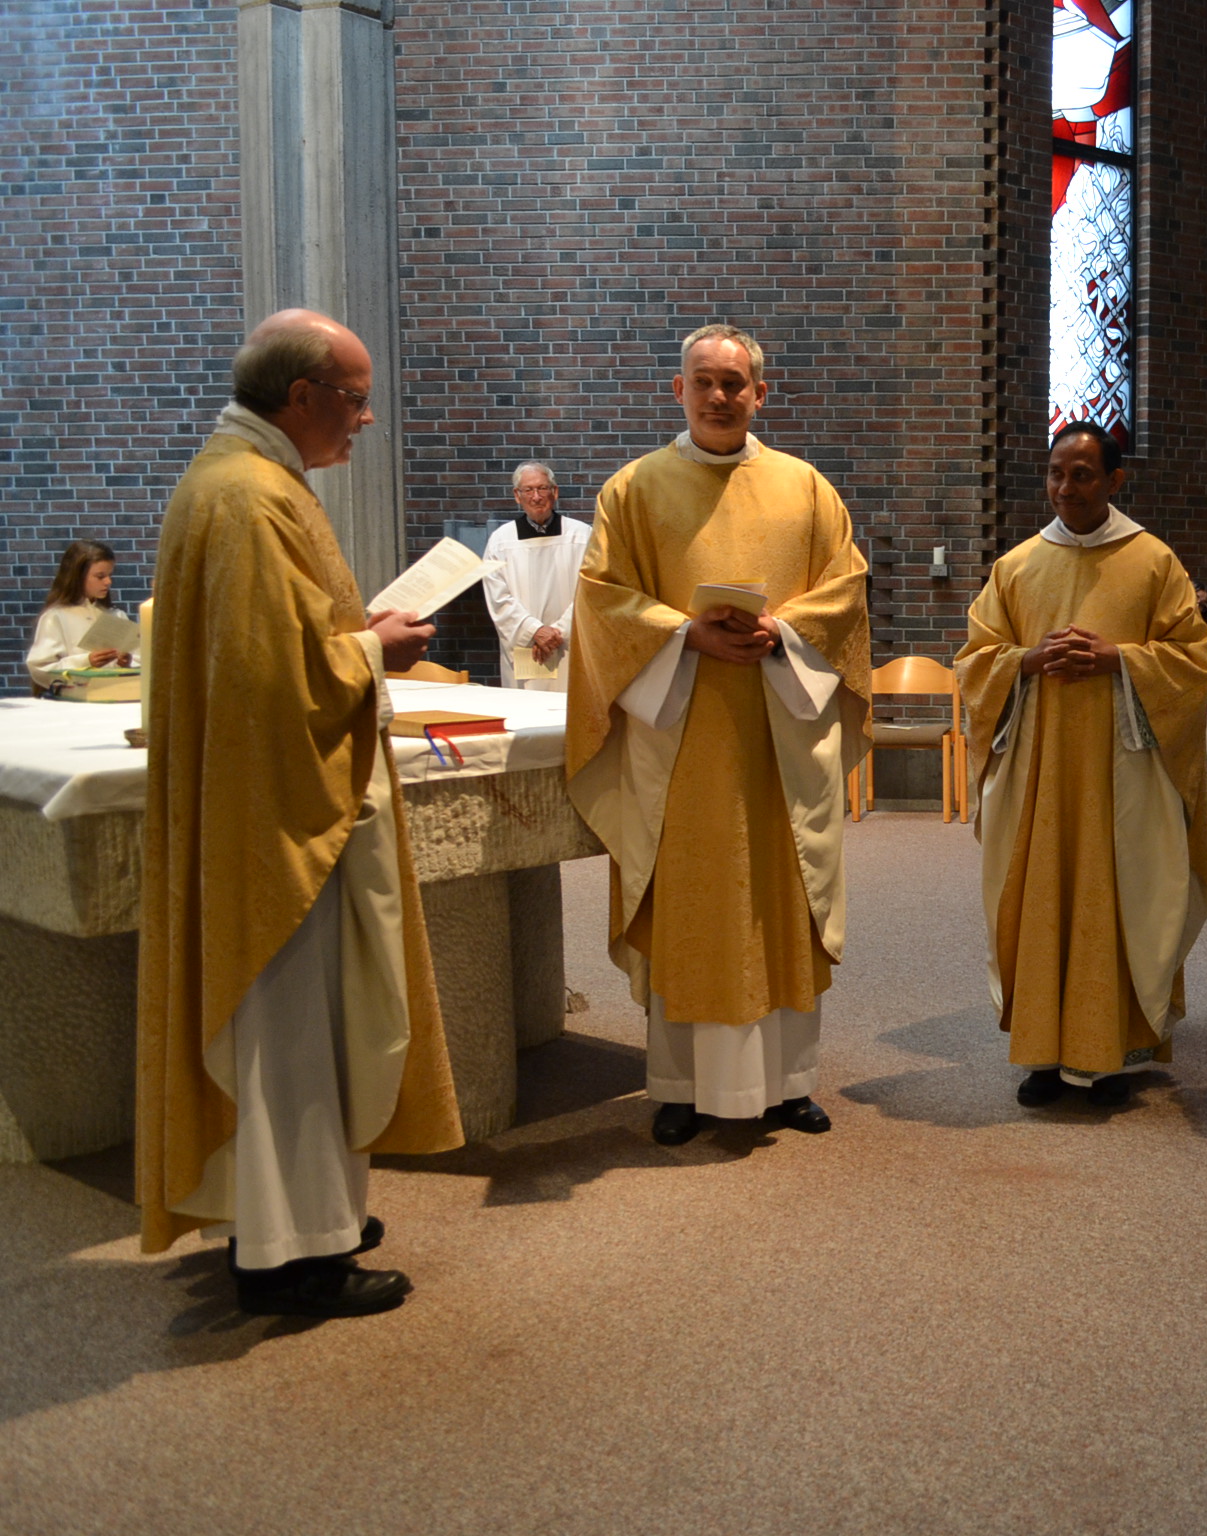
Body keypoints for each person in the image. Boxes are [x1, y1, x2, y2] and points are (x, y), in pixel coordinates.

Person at [138, 308, 460, 1318]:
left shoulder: (248, 480)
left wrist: (352, 631)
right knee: (295, 1032)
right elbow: (271, 678)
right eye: (355, 399)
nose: (364, 419)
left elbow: (274, 638)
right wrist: (373, 650)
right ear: (302, 394)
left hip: (273, 802)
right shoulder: (248, 497)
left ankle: (304, 1218)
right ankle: (291, 1258)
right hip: (281, 826)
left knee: (306, 1031)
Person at [565, 324, 871, 1147]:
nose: (718, 395)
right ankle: (679, 1086)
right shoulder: (633, 491)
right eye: (703, 380)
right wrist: (683, 633)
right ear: (679, 390)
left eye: (734, 383)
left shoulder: (806, 490)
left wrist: (784, 631)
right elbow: (601, 601)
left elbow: (846, 589)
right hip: (681, 739)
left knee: (783, 898)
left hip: (778, 736)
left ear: (759, 394)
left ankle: (789, 1084)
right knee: (689, 905)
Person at [957, 422, 1207, 1108]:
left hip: (1123, 776)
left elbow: (1194, 659)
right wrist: (1028, 660)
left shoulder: (1153, 562)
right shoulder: (1016, 567)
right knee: (1041, 898)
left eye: (1082, 474)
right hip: (1039, 778)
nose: (1065, 488)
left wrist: (1117, 659)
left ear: (1114, 481)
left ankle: (1108, 1058)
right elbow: (975, 661)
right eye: (1056, 473)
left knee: (1115, 894)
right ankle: (1043, 1053)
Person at [479, 460, 592, 691]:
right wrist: (534, 631)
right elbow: (498, 599)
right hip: (526, 646)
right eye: (528, 490)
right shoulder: (501, 540)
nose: (536, 497)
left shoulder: (581, 535)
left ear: (555, 492)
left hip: (570, 644)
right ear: (517, 496)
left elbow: (591, 589)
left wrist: (557, 633)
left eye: (542, 488)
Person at [27, 538, 131, 689]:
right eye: (100, 576)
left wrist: (124, 663)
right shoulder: (56, 617)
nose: (108, 581)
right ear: (77, 577)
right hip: (73, 697)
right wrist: (86, 661)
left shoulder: (117, 616)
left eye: (110, 575)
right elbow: (40, 668)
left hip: (115, 693)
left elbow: (138, 661)